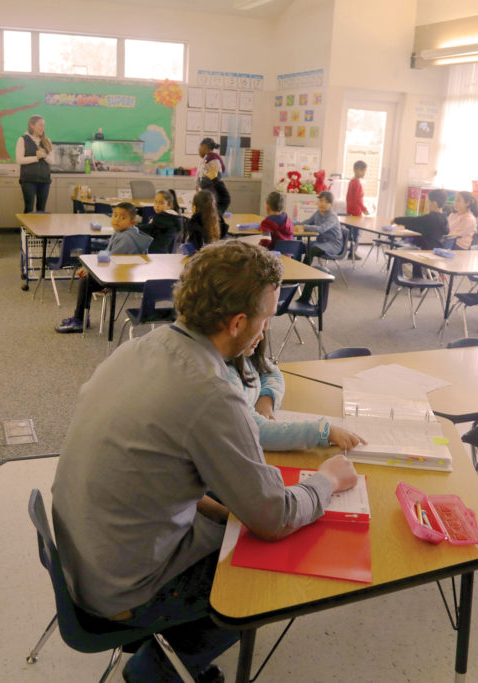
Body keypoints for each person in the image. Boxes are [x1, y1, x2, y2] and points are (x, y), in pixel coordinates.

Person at [51, 240, 359, 682]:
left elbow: (148, 470)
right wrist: (327, 480)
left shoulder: (141, 346)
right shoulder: (212, 392)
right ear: (237, 323)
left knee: (228, 509)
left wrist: (222, 507)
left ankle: (167, 653)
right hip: (122, 590)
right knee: (267, 570)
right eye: (266, 317)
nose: (266, 327)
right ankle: (156, 669)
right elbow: (275, 517)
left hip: (83, 562)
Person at [227, 336, 365, 451]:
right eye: (260, 321)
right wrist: (324, 431)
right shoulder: (227, 378)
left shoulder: (245, 354)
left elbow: (272, 372)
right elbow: (256, 431)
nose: (262, 335)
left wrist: (266, 399)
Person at [54, 202, 152, 334]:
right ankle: (81, 318)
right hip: (118, 274)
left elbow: (110, 261)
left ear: (132, 223)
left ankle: (80, 319)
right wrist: (89, 268)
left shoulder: (127, 239)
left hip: (123, 279)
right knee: (87, 279)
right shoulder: (121, 233)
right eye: (115, 215)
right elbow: (107, 254)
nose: (117, 219)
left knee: (86, 281)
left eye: (122, 217)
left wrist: (90, 270)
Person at [393, 188, 449, 277]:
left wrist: (396, 220)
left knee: (398, 253)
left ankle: (416, 277)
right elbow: (446, 231)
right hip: (437, 250)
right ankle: (425, 274)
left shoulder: (430, 217)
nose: (427, 204)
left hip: (425, 251)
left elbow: (413, 220)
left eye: (428, 202)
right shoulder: (444, 218)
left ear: (434, 203)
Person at [16, 115, 53, 212]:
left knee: (41, 209)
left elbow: (52, 161)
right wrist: (36, 158)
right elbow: (19, 160)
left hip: (45, 181)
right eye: (40, 125)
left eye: (43, 125)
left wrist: (44, 156)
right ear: (32, 125)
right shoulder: (23, 140)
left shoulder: (47, 141)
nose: (43, 128)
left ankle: (40, 228)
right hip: (28, 180)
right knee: (29, 209)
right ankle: (24, 228)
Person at [300, 191, 344, 265]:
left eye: (326, 202)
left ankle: (303, 273)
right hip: (321, 242)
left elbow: (321, 229)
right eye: (321, 201)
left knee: (312, 249)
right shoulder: (318, 212)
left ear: (331, 205)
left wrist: (303, 227)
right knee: (300, 246)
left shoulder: (332, 216)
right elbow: (307, 222)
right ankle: (298, 268)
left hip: (333, 245)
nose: (323, 204)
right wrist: (292, 224)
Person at [196, 137, 231, 216]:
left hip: (211, 198)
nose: (198, 150)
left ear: (204, 146)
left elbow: (215, 178)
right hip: (208, 195)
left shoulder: (213, 159)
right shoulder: (208, 157)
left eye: (199, 147)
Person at [142, 190, 183, 254]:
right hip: (165, 252)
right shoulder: (173, 217)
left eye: (161, 203)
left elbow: (149, 230)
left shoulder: (163, 218)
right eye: (155, 202)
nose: (157, 205)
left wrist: (133, 226)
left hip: (155, 253)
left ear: (170, 205)